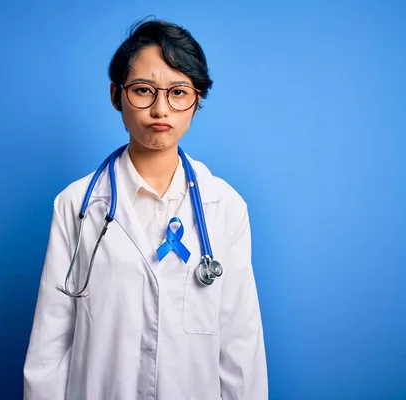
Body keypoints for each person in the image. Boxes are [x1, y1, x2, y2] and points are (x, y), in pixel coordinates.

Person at [23, 18, 267, 400]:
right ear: (115, 95)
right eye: (143, 90)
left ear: (197, 99)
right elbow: (49, 347)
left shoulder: (225, 206)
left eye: (178, 92)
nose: (160, 109)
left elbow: (241, 347)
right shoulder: (76, 204)